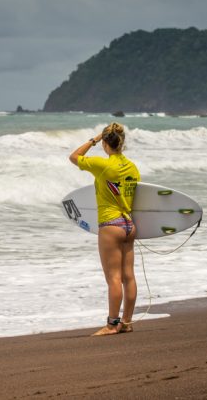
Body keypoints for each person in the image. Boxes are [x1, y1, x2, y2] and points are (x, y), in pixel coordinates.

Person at [69, 122, 141, 336]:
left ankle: (111, 324)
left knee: (113, 279)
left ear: (105, 143)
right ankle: (126, 322)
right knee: (129, 276)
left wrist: (94, 139)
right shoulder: (132, 168)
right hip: (129, 225)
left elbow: (74, 157)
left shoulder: (103, 165)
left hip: (110, 226)